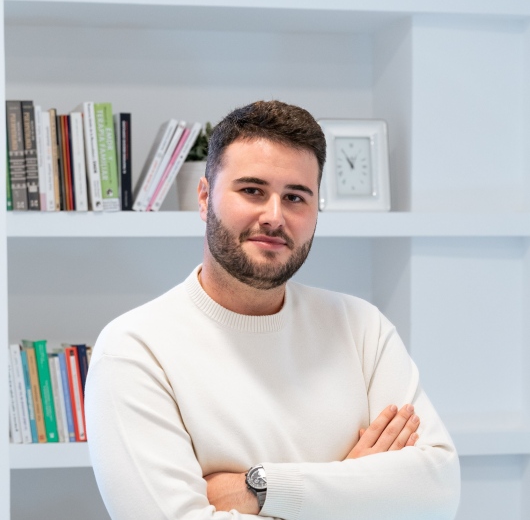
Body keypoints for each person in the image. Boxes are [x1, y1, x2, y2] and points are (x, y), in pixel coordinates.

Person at [85, 100, 460, 520]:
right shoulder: (134, 350)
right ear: (204, 198)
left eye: (295, 197)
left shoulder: (362, 328)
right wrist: (354, 485)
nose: (274, 216)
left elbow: (438, 494)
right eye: (252, 191)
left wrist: (260, 488)